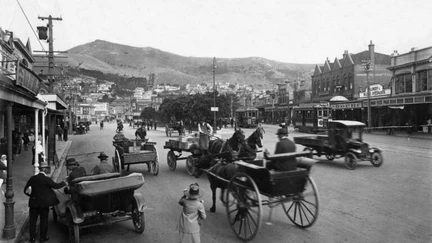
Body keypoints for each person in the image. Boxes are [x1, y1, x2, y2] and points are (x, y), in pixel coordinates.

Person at [24, 165, 67, 243]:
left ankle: (32, 238)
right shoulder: (47, 179)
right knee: (44, 220)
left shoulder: (32, 178)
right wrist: (64, 182)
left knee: (33, 221)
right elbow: (56, 186)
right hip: (44, 204)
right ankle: (42, 238)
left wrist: (32, 196)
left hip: (33, 203)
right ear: (46, 170)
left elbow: (25, 190)